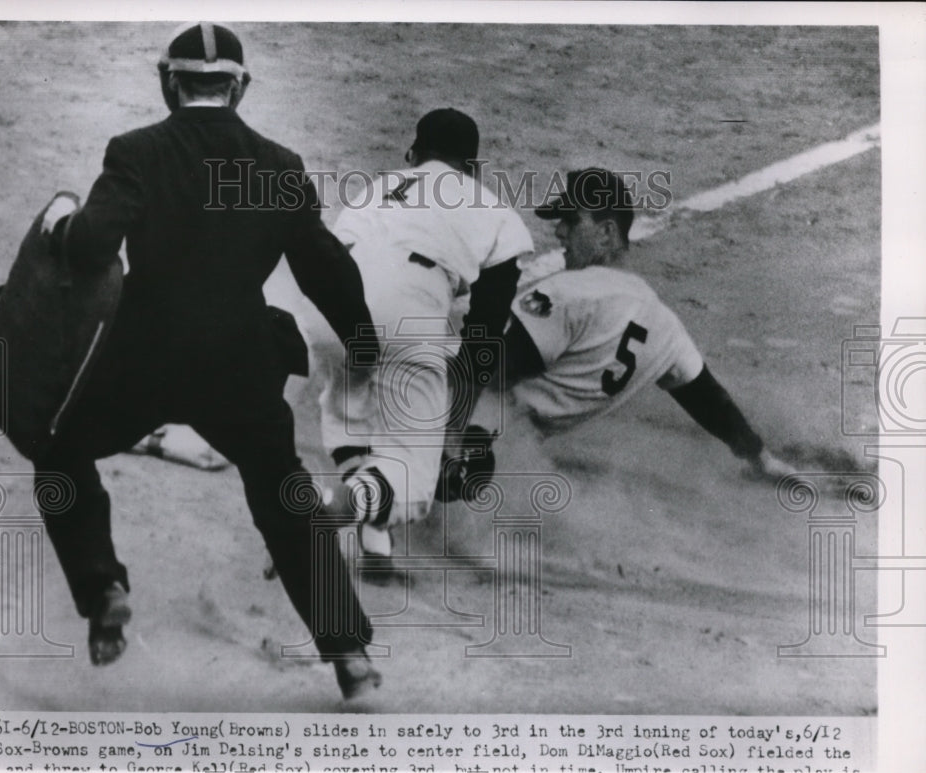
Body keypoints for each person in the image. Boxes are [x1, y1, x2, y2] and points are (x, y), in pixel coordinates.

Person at [35, 22, 381, 699]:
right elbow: (325, 268)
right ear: (239, 88)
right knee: (283, 494)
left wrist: (60, 225)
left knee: (59, 449)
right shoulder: (279, 165)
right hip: (239, 361)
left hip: (141, 355)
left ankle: (103, 588)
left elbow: (92, 246)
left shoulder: (136, 150)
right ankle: (349, 653)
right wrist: (362, 342)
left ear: (169, 84)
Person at [471, 167, 795, 480]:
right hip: (508, 454)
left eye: (571, 221)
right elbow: (706, 398)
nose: (559, 231)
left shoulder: (569, 294)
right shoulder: (664, 326)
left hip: (463, 435)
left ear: (606, 233)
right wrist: (760, 457)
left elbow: (485, 369)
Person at [313, 108, 534, 565]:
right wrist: (452, 431)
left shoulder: (373, 190)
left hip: (331, 310)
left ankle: (374, 535)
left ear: (412, 156)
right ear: (473, 170)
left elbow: (330, 254)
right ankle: (328, 512)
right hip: (406, 312)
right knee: (414, 485)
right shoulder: (497, 212)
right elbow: (483, 336)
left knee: (351, 417)